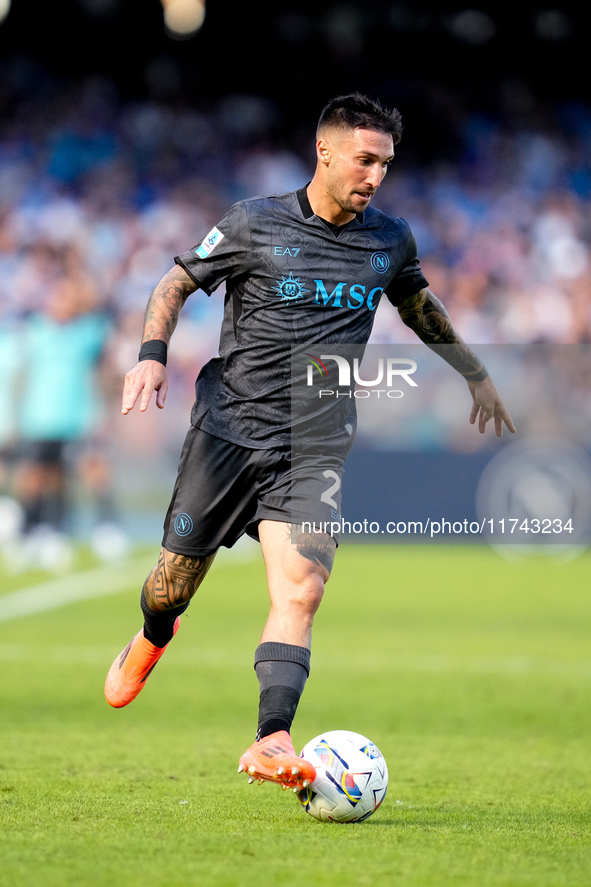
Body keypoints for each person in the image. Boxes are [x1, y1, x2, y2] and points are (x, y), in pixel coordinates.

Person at [105, 93, 515, 792]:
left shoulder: (389, 240)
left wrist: (474, 373)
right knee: (172, 585)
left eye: (385, 163)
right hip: (226, 433)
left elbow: (420, 308)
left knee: (303, 586)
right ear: (323, 152)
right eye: (364, 159)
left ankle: (272, 738)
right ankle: (153, 633)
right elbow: (175, 282)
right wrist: (150, 353)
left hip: (314, 440)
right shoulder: (253, 222)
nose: (375, 175)